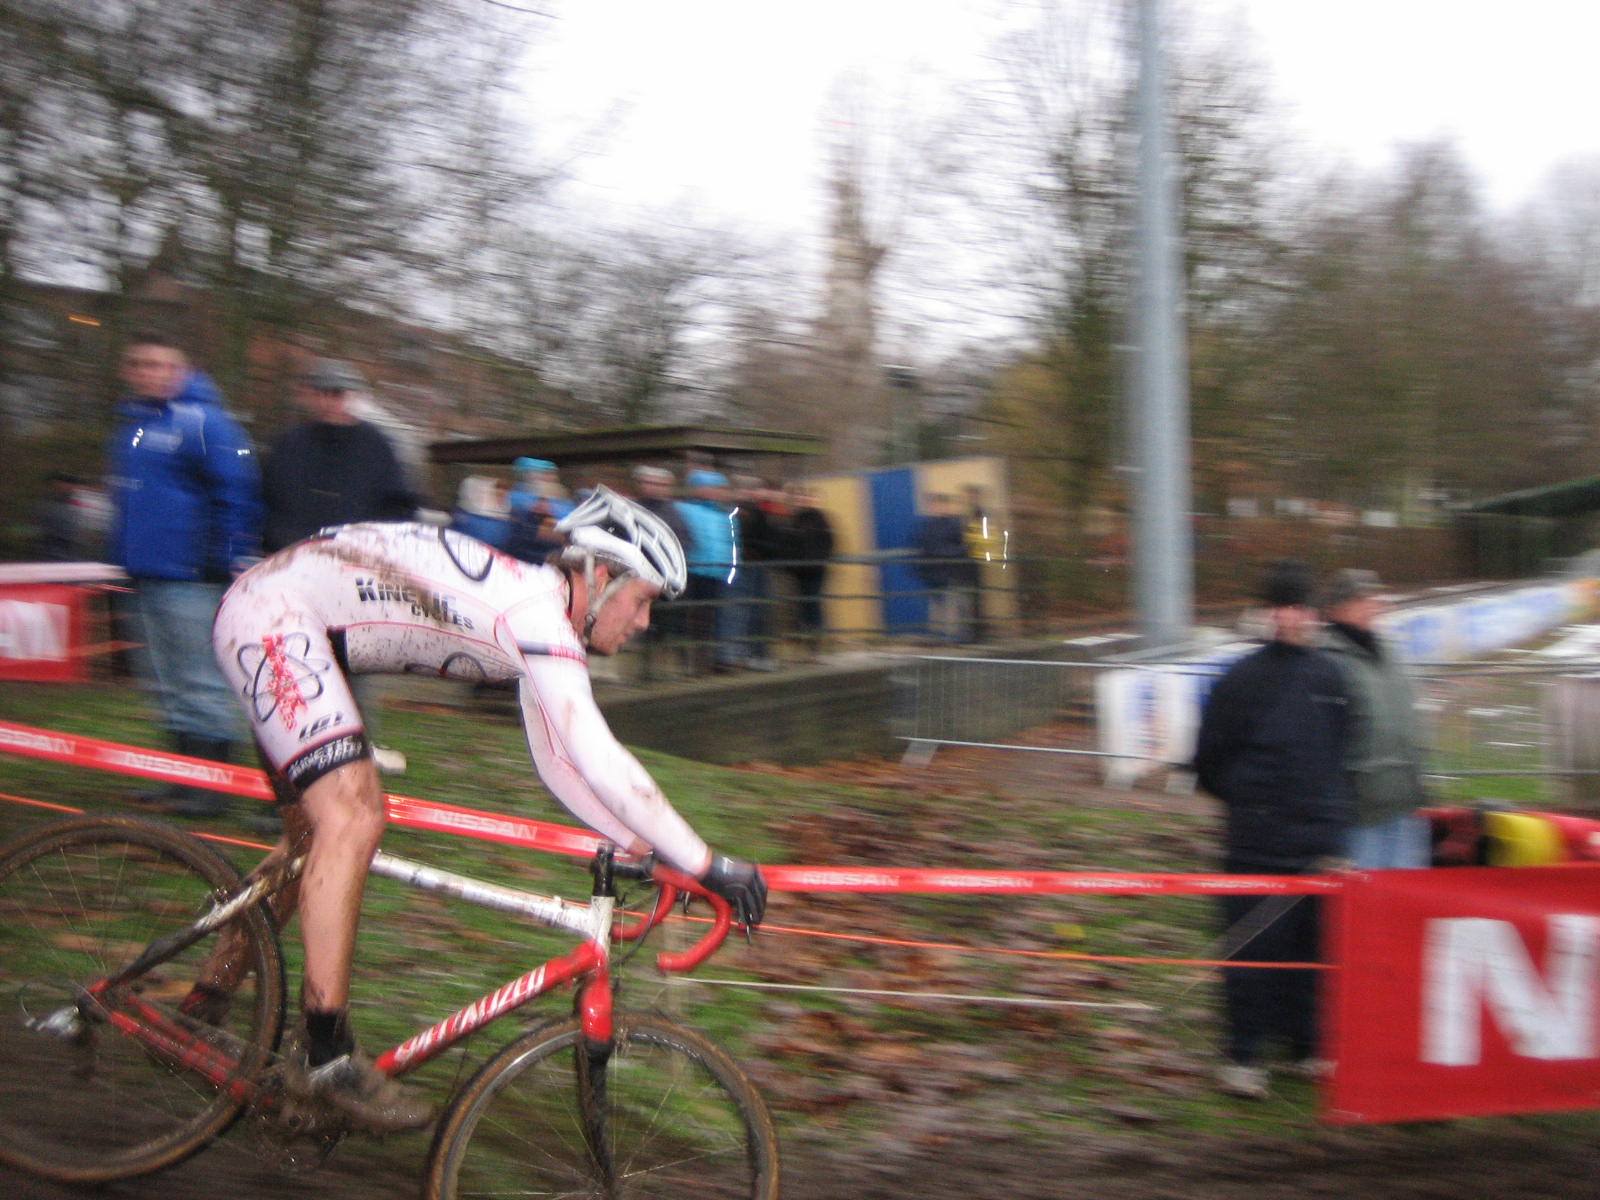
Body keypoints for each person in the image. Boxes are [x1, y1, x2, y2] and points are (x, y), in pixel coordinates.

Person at [193, 487, 769, 1134]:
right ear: (602, 578)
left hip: (280, 614)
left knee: (312, 843)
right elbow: (598, 755)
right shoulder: (536, 615)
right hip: (274, 617)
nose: (642, 624)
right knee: (353, 817)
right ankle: (327, 1054)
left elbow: (560, 760)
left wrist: (642, 846)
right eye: (642, 602)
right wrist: (709, 862)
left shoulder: (534, 616)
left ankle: (204, 1000)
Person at [1191, 560, 1353, 1100]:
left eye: (1302, 607)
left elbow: (1341, 759)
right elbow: (1209, 763)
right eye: (1282, 606)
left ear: (1314, 614)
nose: (1293, 617)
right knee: (1251, 955)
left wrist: (1332, 829)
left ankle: (1306, 1047)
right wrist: (1253, 804)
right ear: (1267, 613)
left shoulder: (1332, 679)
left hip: (1318, 847)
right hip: (1256, 846)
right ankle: (1243, 1057)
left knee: (1313, 954)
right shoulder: (1239, 680)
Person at [108, 331, 262, 818]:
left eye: (160, 364)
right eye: (139, 364)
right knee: (163, 682)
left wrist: (224, 558)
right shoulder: (132, 425)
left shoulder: (205, 423)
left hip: (192, 577)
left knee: (199, 681)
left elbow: (236, 491)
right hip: (144, 573)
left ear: (181, 369)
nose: (149, 373)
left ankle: (213, 784)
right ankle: (180, 776)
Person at [1319, 569, 1431, 868]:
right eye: (1363, 599)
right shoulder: (1325, 659)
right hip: (1359, 814)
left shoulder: (1388, 650)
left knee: (1408, 898)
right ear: (1338, 607)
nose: (1374, 605)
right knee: (1367, 902)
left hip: (1404, 800)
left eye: (1375, 597)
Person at [260, 359, 418, 553]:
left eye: (337, 395)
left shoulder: (376, 447)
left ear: (354, 397)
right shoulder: (288, 444)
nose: (328, 403)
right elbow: (268, 500)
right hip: (291, 559)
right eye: (321, 394)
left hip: (353, 561)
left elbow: (399, 510)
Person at [676, 469, 740, 673]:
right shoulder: (684, 509)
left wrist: (732, 567)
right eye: (710, 487)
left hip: (717, 572)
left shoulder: (726, 514)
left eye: (718, 488)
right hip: (694, 570)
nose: (715, 492)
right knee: (694, 618)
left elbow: (733, 542)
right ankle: (692, 661)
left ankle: (711, 659)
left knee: (714, 617)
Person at [779, 481, 835, 658]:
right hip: (799, 571)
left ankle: (814, 644)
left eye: (805, 497)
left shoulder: (819, 519)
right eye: (800, 498)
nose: (803, 500)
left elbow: (828, 543)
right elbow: (787, 546)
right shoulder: (793, 520)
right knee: (801, 607)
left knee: (813, 606)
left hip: (815, 570)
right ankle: (804, 643)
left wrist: (819, 561)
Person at [912, 492, 975, 643]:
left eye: (939, 505)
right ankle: (942, 637)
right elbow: (922, 547)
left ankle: (955, 637)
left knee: (954, 604)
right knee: (940, 606)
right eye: (934, 505)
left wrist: (942, 554)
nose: (936, 508)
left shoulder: (955, 524)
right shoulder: (928, 526)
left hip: (952, 572)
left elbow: (965, 547)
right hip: (936, 574)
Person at [32, 472, 85, 561]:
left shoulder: (74, 501)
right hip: (52, 541)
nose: (72, 488)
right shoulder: (48, 501)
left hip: (68, 542)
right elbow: (42, 520)